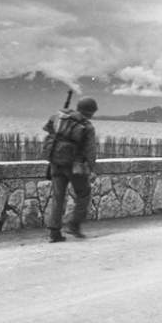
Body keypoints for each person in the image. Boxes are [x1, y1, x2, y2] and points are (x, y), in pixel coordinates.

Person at [42, 97, 98, 243]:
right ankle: (74, 224)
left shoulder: (59, 119)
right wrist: (91, 168)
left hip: (55, 163)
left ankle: (54, 232)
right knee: (83, 194)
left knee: (58, 198)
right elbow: (90, 150)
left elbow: (50, 134)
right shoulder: (87, 127)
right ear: (91, 112)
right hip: (74, 166)